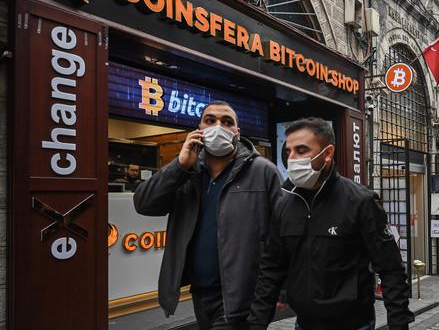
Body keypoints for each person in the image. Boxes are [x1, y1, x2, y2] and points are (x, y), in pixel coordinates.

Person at [248, 118, 414, 330]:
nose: (292, 159)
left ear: (327, 153)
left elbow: (390, 269)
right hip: (304, 324)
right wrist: (256, 324)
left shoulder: (360, 201)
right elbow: (271, 269)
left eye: (301, 150)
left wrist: (399, 324)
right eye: (288, 151)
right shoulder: (284, 205)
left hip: (353, 324)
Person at [134, 100, 282, 330]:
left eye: (227, 122)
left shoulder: (263, 171)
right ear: (199, 129)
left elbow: (283, 232)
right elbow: (144, 203)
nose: (218, 126)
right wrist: (179, 166)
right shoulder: (187, 172)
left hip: (242, 297)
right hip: (199, 293)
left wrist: (278, 289)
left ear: (237, 132)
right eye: (210, 121)